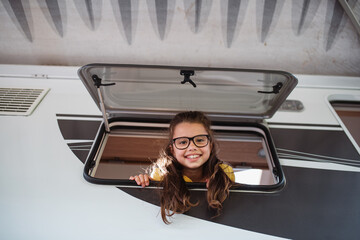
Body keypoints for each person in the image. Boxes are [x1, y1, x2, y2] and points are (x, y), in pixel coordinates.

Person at [129, 111, 234, 224]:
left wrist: (218, 186)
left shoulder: (223, 172)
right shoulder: (161, 175)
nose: (192, 147)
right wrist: (143, 182)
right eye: (183, 142)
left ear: (210, 145)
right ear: (172, 150)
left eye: (199, 140)